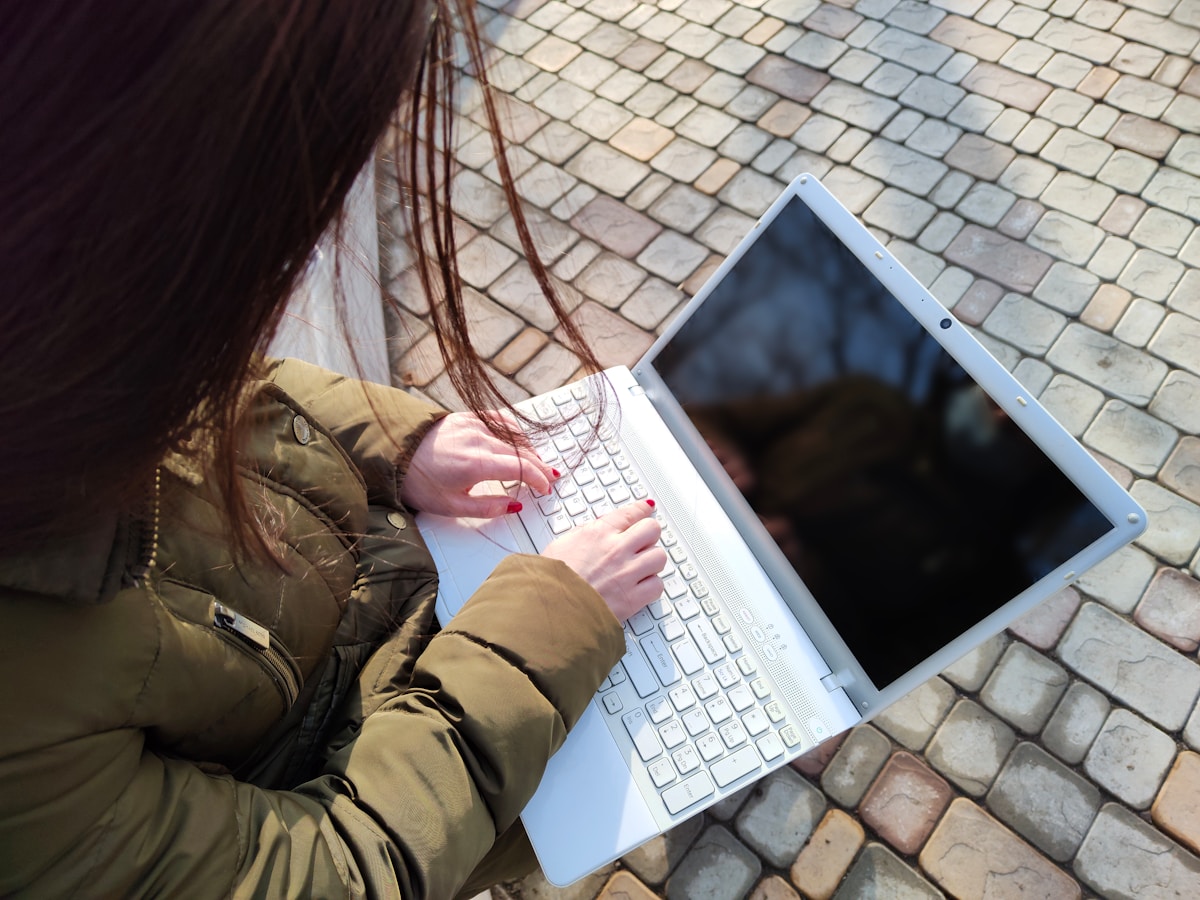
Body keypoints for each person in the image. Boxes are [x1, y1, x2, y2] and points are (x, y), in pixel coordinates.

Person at [0, 2, 666, 897]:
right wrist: (543, 631)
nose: (297, 274)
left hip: (413, 607)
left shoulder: (61, 361)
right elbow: (341, 873)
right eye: (274, 249)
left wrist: (397, 441)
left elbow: (226, 386)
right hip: (420, 770)